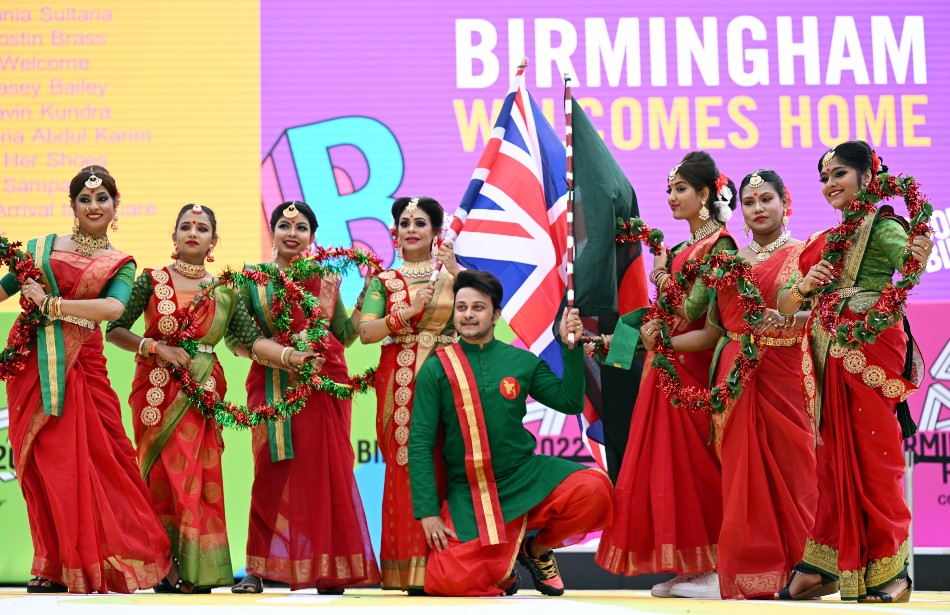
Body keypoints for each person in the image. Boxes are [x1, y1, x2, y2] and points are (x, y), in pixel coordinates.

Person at [106, 204, 320, 593]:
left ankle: (195, 570)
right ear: (173, 237)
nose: (192, 232)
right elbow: (116, 330)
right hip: (156, 388)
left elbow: (250, 339)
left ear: (213, 241)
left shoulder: (225, 289)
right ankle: (164, 568)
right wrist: (155, 347)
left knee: (199, 477)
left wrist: (292, 357)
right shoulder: (150, 280)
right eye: (185, 226)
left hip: (203, 391)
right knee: (160, 477)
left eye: (201, 228)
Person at [640, 169, 818, 599]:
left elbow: (818, 317)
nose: (758, 209)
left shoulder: (806, 255)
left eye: (766, 200)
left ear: (785, 201)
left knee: (796, 472)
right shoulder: (732, 262)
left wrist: (789, 318)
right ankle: (746, 574)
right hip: (734, 375)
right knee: (741, 477)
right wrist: (658, 343)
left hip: (786, 372)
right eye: (751, 202)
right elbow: (712, 332)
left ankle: (807, 568)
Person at [0, 166, 173, 593]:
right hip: (33, 368)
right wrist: (35, 300)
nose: (94, 206)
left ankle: (128, 557)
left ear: (116, 206)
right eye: (85, 199)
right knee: (41, 470)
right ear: (73, 206)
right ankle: (51, 564)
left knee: (100, 463)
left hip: (82, 370)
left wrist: (52, 305)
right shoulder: (40, 249)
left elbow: (113, 311)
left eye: (102, 199)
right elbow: (4, 289)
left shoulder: (120, 262)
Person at [775, 141, 933, 603]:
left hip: (867, 348)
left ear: (868, 177)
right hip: (826, 359)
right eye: (824, 178)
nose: (829, 185)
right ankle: (825, 564)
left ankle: (890, 569)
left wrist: (917, 250)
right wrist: (805, 285)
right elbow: (785, 302)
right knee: (829, 464)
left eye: (839, 174)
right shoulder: (824, 242)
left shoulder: (882, 225)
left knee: (873, 460)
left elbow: (910, 262)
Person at [408, 270, 612, 597]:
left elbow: (570, 402)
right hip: (469, 491)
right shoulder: (437, 367)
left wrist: (570, 349)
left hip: (523, 476)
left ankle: (537, 550)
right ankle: (504, 567)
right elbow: (419, 442)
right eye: (462, 308)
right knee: (449, 582)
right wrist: (427, 512)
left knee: (595, 489)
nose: (469, 315)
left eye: (478, 307)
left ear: (496, 314)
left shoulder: (521, 361)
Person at [595, 151, 737, 599]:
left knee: (700, 469)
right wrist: (634, 339)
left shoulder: (722, 246)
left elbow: (714, 330)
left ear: (706, 194)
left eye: (681, 190)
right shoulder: (678, 250)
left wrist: (662, 341)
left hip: (696, 373)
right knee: (666, 470)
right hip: (665, 369)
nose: (673, 198)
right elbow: (665, 316)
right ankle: (689, 568)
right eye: (670, 190)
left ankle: (717, 567)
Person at [226, 201, 380, 594]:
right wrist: (279, 354)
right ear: (272, 231)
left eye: (301, 228)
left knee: (325, 474)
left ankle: (329, 569)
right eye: (283, 225)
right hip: (271, 385)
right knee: (270, 474)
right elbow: (234, 340)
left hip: (323, 386)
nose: (291, 233)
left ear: (312, 236)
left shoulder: (327, 280)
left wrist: (365, 296)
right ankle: (258, 570)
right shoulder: (252, 280)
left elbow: (343, 334)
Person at [357, 196, 459, 592]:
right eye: (404, 222)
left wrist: (458, 273)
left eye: (420, 222)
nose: (411, 228)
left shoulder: (453, 276)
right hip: (399, 380)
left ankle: (456, 565)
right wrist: (406, 313)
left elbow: (479, 315)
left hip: (447, 377)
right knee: (405, 464)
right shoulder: (384, 281)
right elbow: (366, 333)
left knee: (451, 462)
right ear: (394, 232)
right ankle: (409, 569)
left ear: (436, 232)